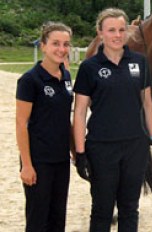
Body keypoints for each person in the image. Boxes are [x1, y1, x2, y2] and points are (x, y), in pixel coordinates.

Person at [73, 8, 152, 232]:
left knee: (129, 208)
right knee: (102, 209)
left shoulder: (140, 62)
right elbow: (79, 112)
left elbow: (148, 103)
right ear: (100, 33)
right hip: (101, 147)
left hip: (135, 146)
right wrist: (80, 152)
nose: (117, 35)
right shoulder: (89, 68)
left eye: (121, 30)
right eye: (111, 30)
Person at [16, 21, 73, 232]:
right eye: (55, 43)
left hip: (60, 159)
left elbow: (64, 118)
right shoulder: (30, 80)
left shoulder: (66, 77)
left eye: (66, 44)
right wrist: (27, 165)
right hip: (39, 161)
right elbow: (21, 123)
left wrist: (74, 152)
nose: (61, 49)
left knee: (58, 219)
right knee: (38, 220)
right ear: (43, 46)